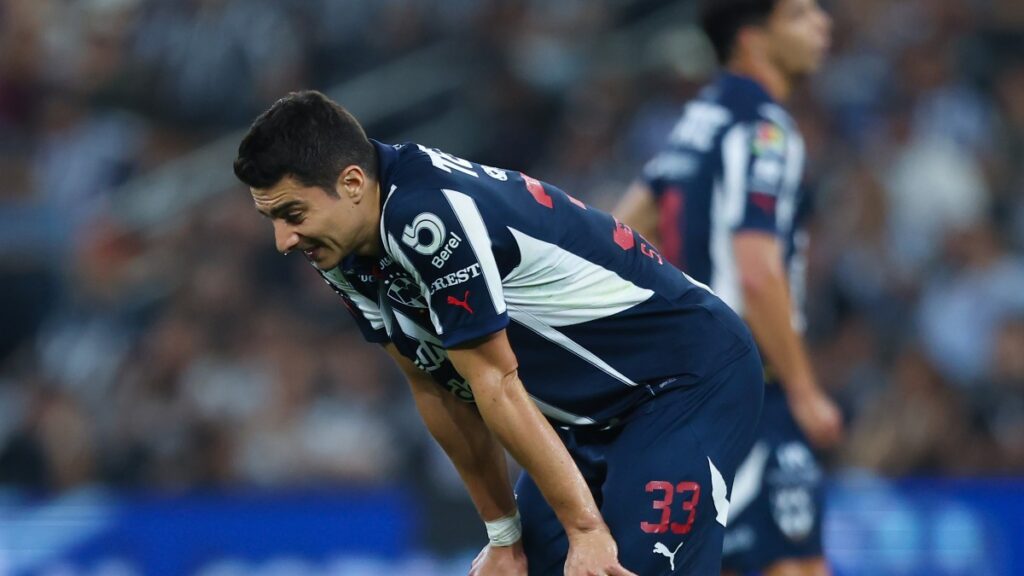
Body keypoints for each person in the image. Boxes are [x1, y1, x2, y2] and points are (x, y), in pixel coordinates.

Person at [233, 90, 764, 575]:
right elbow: (433, 385)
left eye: (292, 213)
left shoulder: (428, 218)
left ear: (351, 182)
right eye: (273, 220)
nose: (284, 240)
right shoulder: (341, 248)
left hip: (684, 384)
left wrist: (584, 530)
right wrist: (504, 536)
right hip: (587, 420)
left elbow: (497, 384)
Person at [613, 1, 843, 575]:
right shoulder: (765, 129)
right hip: (753, 383)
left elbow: (623, 228)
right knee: (795, 566)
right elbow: (757, 268)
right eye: (798, 15)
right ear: (751, 40)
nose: (822, 24)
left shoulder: (700, 117)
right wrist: (805, 388)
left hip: (694, 383)